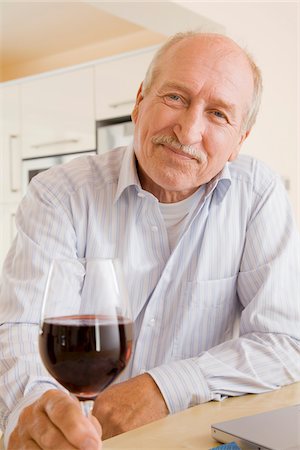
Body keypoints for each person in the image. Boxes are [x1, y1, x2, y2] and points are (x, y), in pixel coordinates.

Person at [1, 31, 299, 450]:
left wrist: (162, 388)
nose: (189, 130)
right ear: (139, 101)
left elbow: (285, 341)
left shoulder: (258, 196)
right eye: (175, 97)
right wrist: (38, 406)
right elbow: (21, 329)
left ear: (239, 141)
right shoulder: (60, 195)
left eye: (218, 114)